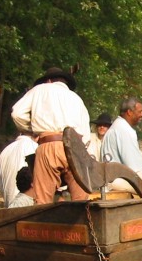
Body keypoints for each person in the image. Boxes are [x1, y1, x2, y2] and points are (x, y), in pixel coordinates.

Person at [11, 67, 91, 204]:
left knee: (43, 201)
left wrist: (32, 130)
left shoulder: (40, 89)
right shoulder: (77, 99)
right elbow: (87, 137)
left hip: (49, 146)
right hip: (76, 149)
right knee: (81, 203)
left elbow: (17, 114)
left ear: (48, 81)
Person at [100, 96, 142, 192]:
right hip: (118, 181)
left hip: (112, 179)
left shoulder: (118, 126)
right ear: (129, 112)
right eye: (140, 111)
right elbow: (135, 167)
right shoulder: (124, 130)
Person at [0, 130, 38, 207]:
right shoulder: (37, 148)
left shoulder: (5, 150)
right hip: (29, 204)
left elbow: (1, 186)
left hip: (10, 204)